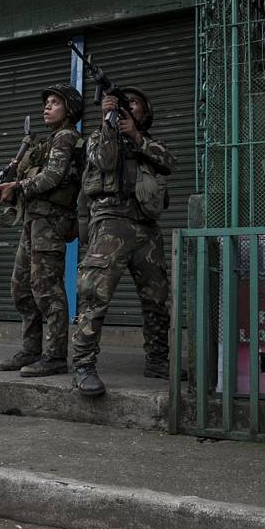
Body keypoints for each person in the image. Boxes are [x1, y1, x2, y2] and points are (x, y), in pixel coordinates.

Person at [69, 87, 175, 397]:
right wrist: (108, 121)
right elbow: (103, 161)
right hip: (110, 222)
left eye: (135, 105)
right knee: (94, 295)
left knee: (157, 299)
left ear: (145, 113)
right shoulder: (98, 137)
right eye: (123, 105)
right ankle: (83, 366)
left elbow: (169, 162)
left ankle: (157, 360)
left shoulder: (152, 144)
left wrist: (137, 139)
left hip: (147, 227)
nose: (128, 108)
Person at [0, 84, 85, 377]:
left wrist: (18, 185)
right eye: (46, 102)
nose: (47, 106)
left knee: (47, 289)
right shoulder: (45, 142)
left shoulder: (67, 138)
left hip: (51, 221)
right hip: (33, 221)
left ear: (69, 109)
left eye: (55, 102)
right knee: (21, 288)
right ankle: (31, 350)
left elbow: (54, 177)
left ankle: (55, 356)